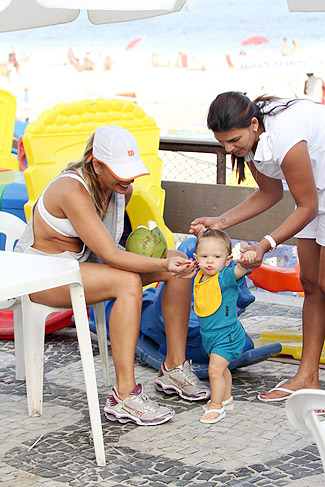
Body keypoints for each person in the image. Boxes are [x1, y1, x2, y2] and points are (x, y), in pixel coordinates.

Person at [15, 125, 210, 425]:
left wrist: (166, 264)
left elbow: (109, 248)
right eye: (120, 171)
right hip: (44, 276)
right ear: (96, 163)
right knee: (128, 282)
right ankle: (124, 395)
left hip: (82, 268)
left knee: (179, 263)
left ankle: (173, 368)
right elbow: (112, 255)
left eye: (130, 170)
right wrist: (159, 266)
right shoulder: (70, 189)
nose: (128, 178)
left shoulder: (121, 190)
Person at [190, 91, 325, 402]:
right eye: (222, 143)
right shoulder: (250, 139)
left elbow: (306, 205)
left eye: (233, 140)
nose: (229, 149)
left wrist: (267, 244)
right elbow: (269, 192)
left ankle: (309, 376)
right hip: (315, 195)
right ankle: (308, 377)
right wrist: (219, 222)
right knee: (310, 283)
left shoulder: (284, 135)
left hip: (315, 196)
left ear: (253, 123)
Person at [193, 229, 256, 423]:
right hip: (209, 335)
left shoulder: (225, 276)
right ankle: (227, 398)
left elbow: (240, 270)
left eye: (217, 256)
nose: (210, 261)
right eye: (205, 256)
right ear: (196, 258)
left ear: (227, 260)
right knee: (222, 369)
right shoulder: (199, 276)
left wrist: (246, 261)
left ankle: (216, 405)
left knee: (214, 370)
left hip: (227, 335)